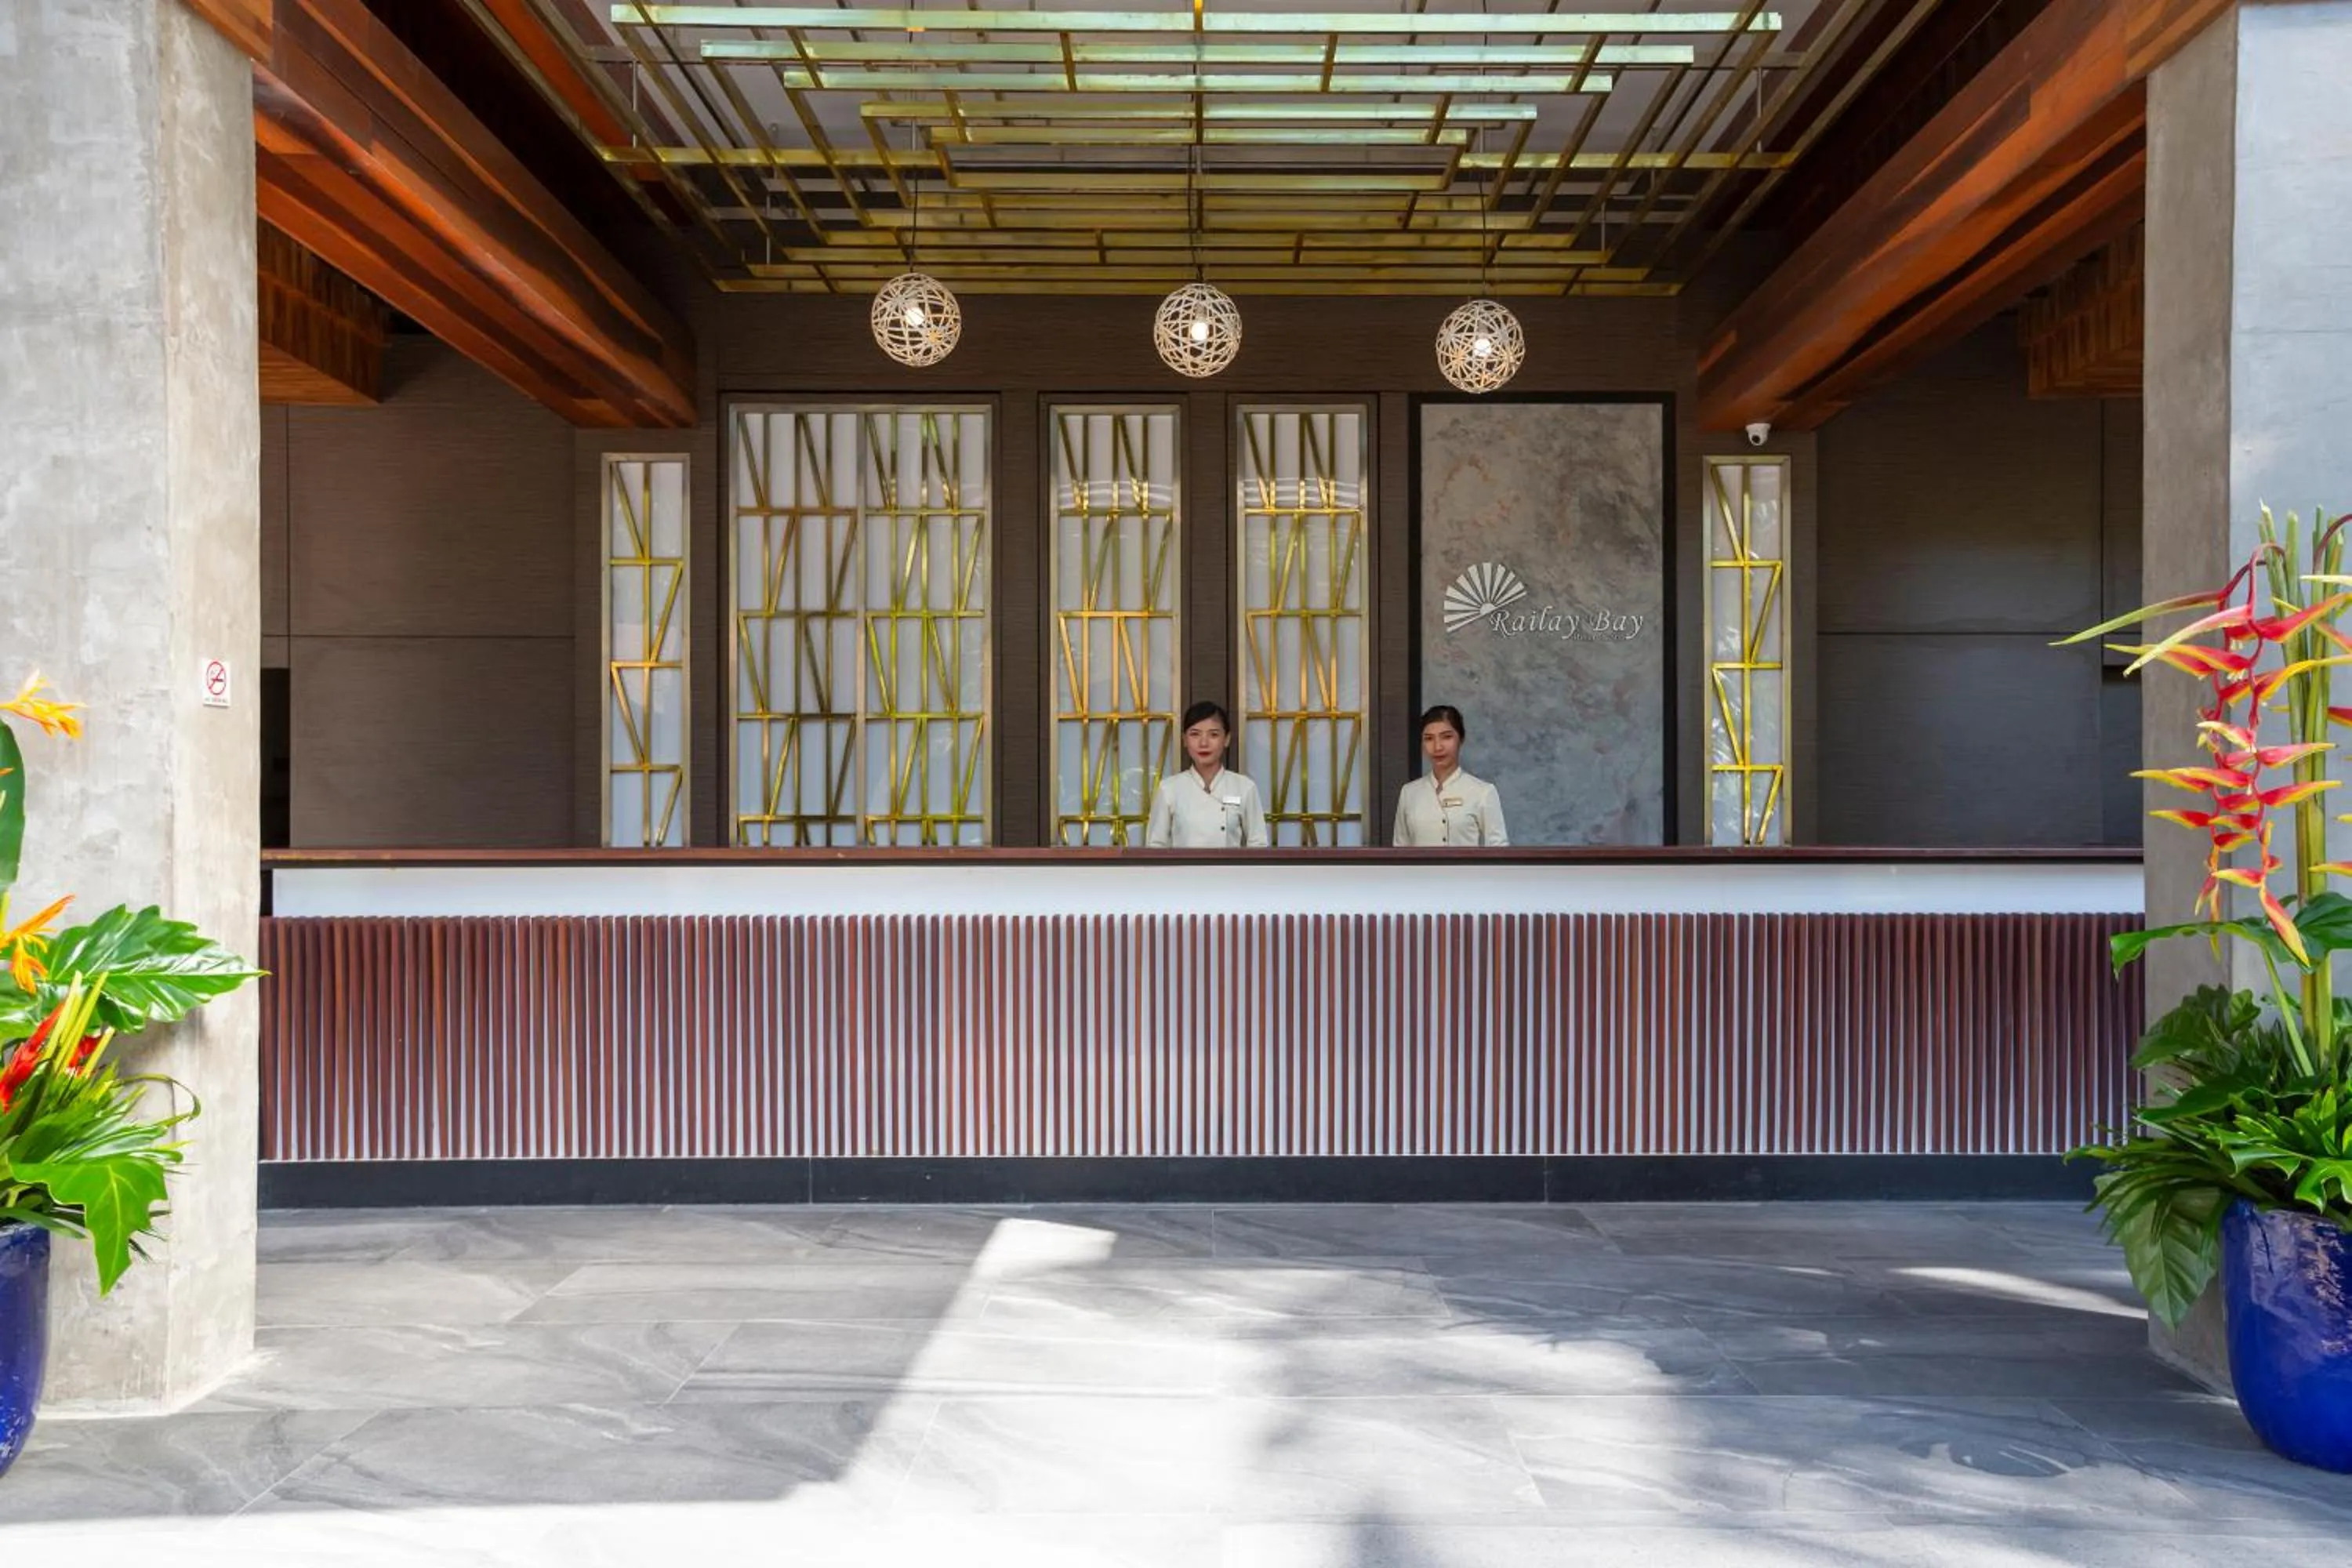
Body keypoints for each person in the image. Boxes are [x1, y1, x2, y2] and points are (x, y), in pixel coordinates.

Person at [1145, 700, 1270, 848]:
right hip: (1183, 871)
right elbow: (1156, 846)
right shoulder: (1169, 789)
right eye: (1195, 734)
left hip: (1230, 871)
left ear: (1227, 739)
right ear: (1185, 740)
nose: (1204, 743)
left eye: (1213, 735)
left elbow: (1258, 844)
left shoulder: (1244, 787)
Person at [1393, 704, 1508, 847]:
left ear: (1461, 739)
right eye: (1429, 739)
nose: (1437, 747)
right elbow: (1400, 851)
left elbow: (1499, 849)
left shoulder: (1483, 792)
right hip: (1421, 870)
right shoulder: (1409, 793)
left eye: (1446, 737)